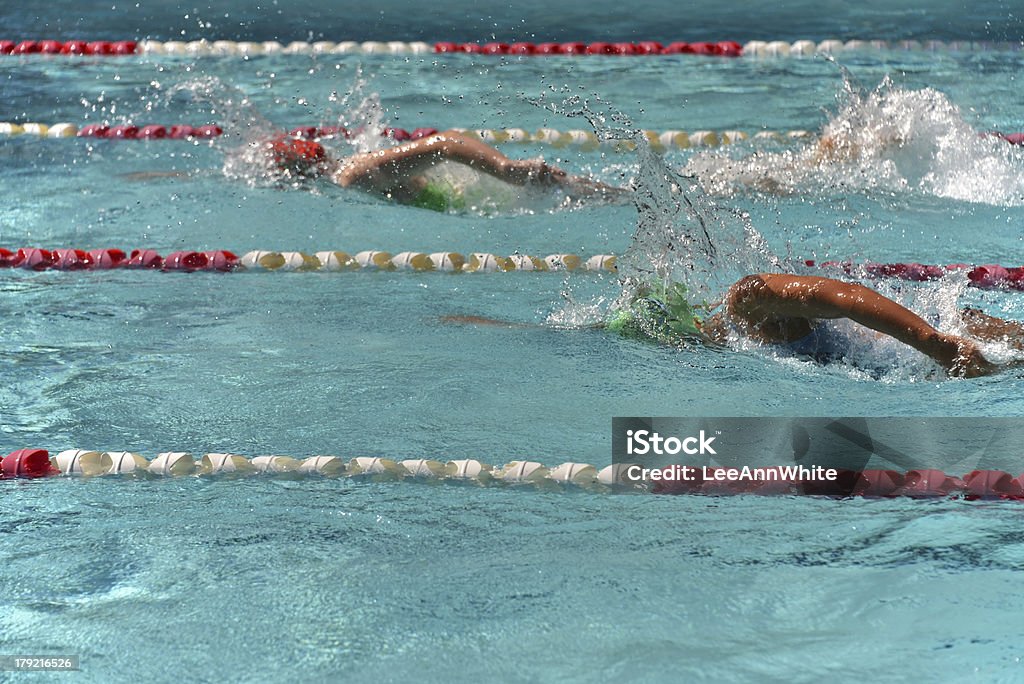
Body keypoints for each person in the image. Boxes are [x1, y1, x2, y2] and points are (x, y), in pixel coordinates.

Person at [450, 273, 1021, 378]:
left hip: (949, 337)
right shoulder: (756, 344)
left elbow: (845, 297)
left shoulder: (750, 309)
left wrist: (936, 345)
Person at [268, 130, 624, 211]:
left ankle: (630, 198)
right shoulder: (343, 176)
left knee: (545, 181)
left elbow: (443, 144)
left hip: (485, 190)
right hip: (470, 198)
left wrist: (505, 169)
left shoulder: (353, 174)